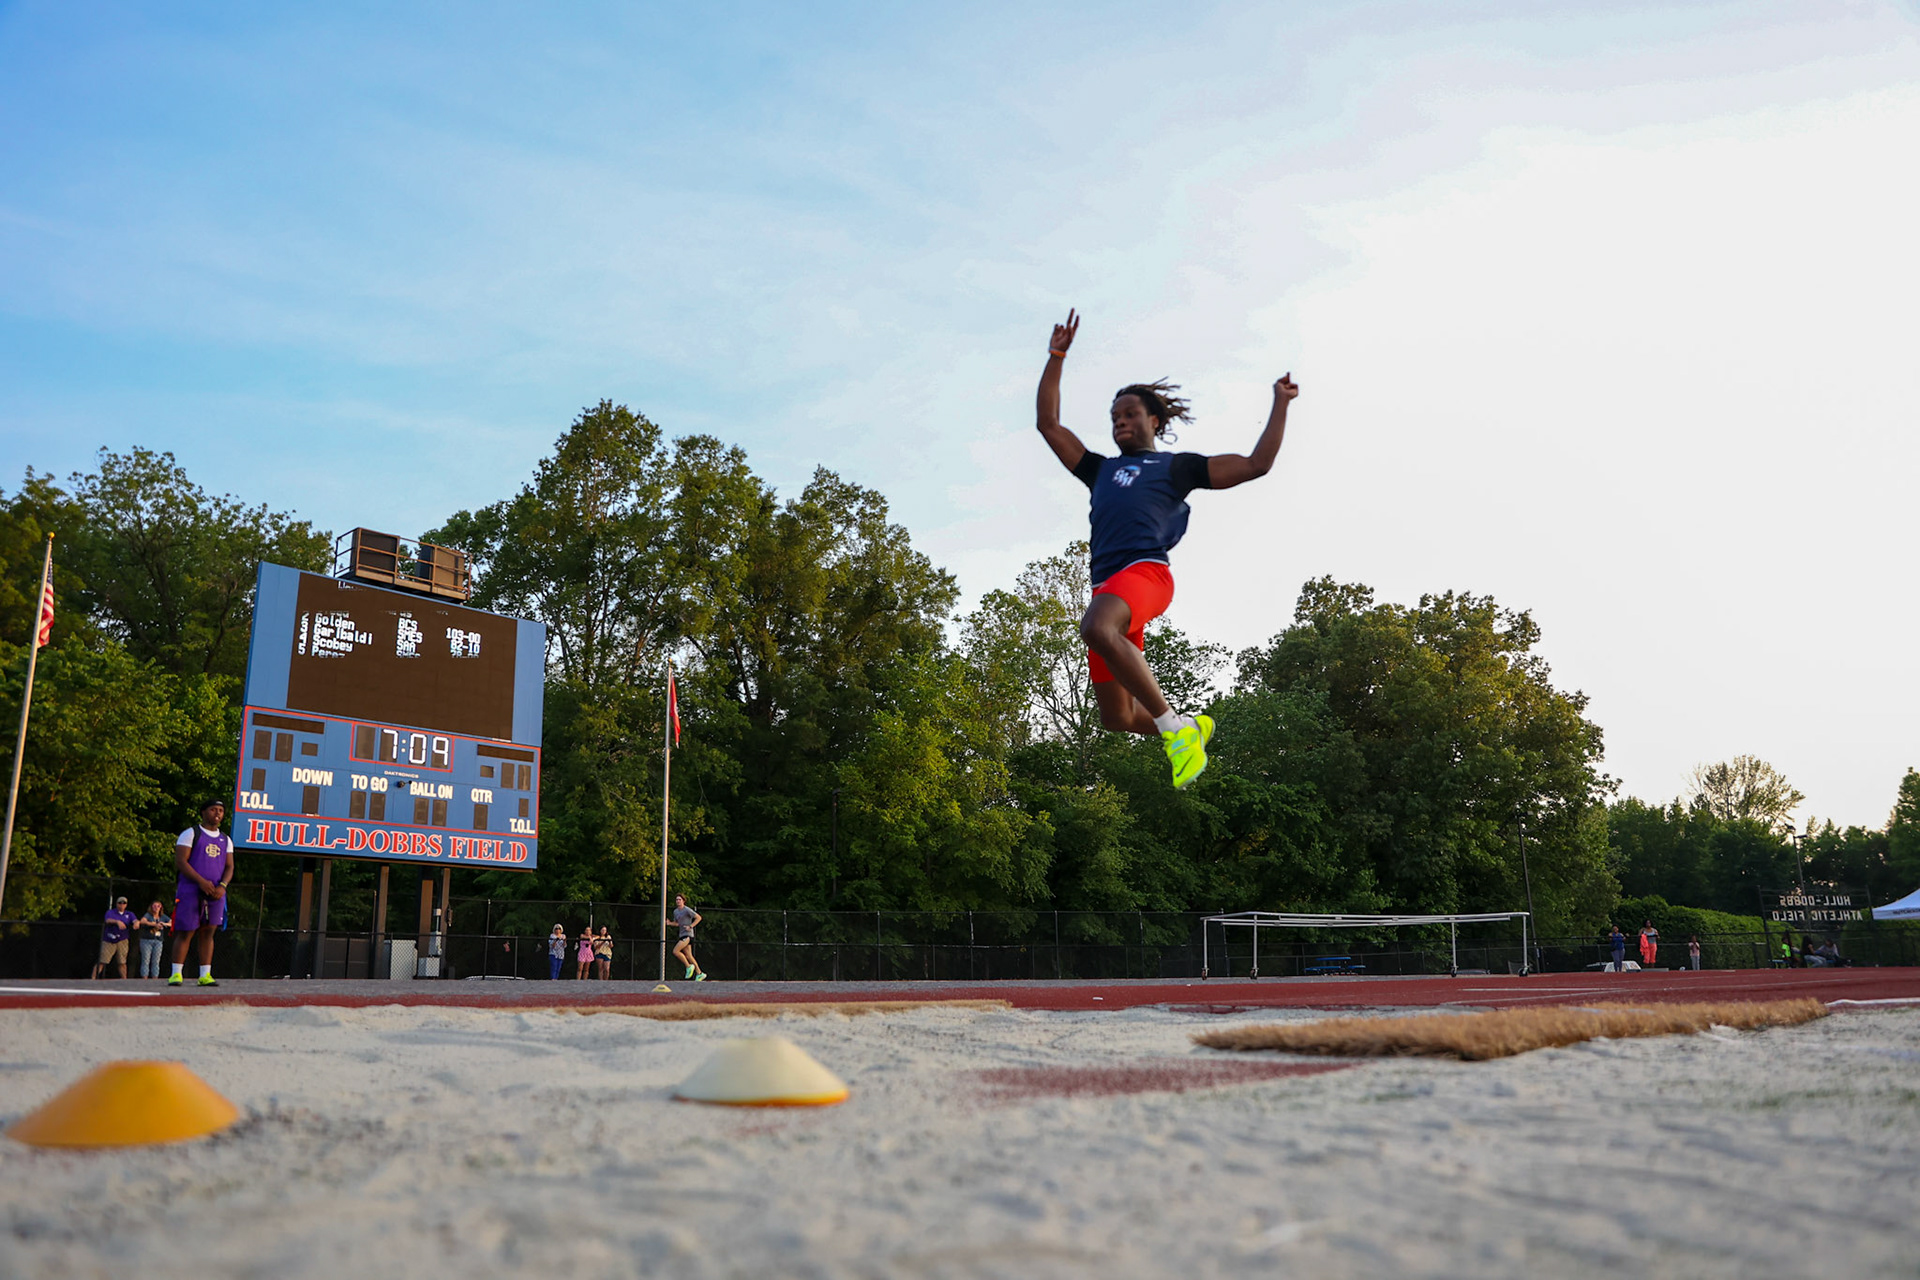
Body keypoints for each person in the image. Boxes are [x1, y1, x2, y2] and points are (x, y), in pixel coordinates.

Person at [1035, 310, 1300, 789]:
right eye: (1114, 417)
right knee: (1115, 717)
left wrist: (1280, 403)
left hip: (1146, 575)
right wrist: (1056, 357)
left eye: (1130, 414)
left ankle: (1174, 730)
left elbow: (1256, 464)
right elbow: (1049, 425)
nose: (1120, 422)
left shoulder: (1176, 468)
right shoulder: (1099, 470)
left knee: (1096, 627)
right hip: (1107, 586)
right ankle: (1193, 729)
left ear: (1153, 419)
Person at [171, 800, 233, 986]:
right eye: (213, 809)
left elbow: (230, 866)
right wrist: (200, 881)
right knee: (186, 931)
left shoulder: (225, 839)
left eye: (221, 810)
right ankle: (176, 974)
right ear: (203, 812)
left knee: (209, 931)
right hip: (191, 889)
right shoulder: (191, 833)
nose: (218, 813)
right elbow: (181, 862)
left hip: (215, 892)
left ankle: (205, 975)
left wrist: (222, 886)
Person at [92, 896, 136, 979]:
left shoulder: (129, 914)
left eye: (124, 903)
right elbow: (107, 920)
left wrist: (136, 923)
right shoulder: (110, 912)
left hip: (122, 940)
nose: (122, 905)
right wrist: (117, 922)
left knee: (122, 962)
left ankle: (124, 980)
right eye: (120, 903)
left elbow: (135, 920)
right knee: (102, 960)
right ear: (116, 904)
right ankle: (93, 978)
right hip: (109, 939)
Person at [671, 894, 705, 981]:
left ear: (683, 901)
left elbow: (698, 918)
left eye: (679, 899)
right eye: (677, 900)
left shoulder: (687, 910)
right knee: (689, 955)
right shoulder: (675, 912)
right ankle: (699, 973)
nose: (678, 901)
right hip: (682, 934)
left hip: (688, 935)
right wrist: (669, 923)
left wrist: (691, 926)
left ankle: (688, 966)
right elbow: (677, 923)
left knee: (675, 951)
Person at [135, 900, 172, 979]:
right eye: (154, 906)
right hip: (146, 940)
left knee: (156, 961)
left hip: (158, 940)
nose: (156, 908)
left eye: (158, 906)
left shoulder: (163, 917)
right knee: (145, 960)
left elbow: (171, 923)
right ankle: (145, 977)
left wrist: (164, 924)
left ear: (161, 907)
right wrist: (154, 924)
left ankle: (155, 977)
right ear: (151, 907)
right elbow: (143, 921)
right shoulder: (148, 915)